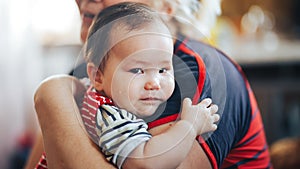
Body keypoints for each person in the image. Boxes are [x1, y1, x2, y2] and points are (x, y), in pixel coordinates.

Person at [27, 0, 273, 169]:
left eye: (161, 69)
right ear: (96, 75)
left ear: (166, 7)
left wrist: (52, 98)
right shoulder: (93, 72)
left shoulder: (194, 71)